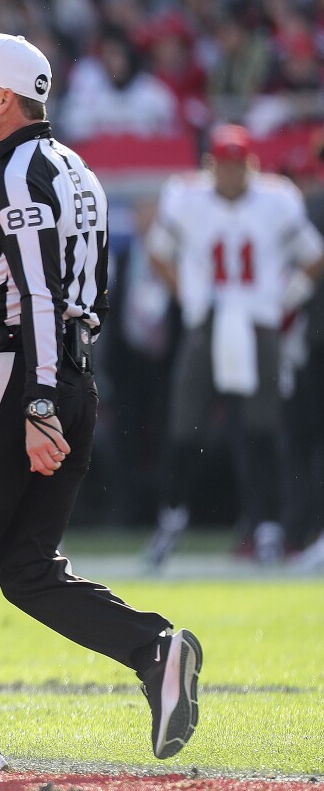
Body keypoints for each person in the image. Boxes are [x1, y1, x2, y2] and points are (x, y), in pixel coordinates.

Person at [0, 33, 202, 771]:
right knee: (28, 566)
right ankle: (155, 651)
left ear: (6, 97)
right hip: (71, 372)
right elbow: (79, 292)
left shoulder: (15, 171)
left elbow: (36, 293)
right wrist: (54, 392)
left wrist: (36, 402)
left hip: (18, 374)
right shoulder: (77, 169)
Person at [143, 124, 324, 567]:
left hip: (258, 324)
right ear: (211, 165)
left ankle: (266, 526)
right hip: (208, 323)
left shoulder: (277, 200)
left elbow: (314, 258)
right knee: (186, 427)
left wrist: (286, 300)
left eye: (237, 165)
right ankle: (172, 518)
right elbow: (157, 251)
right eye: (223, 165)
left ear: (250, 164)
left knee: (262, 427)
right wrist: (187, 295)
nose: (230, 174)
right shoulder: (185, 198)